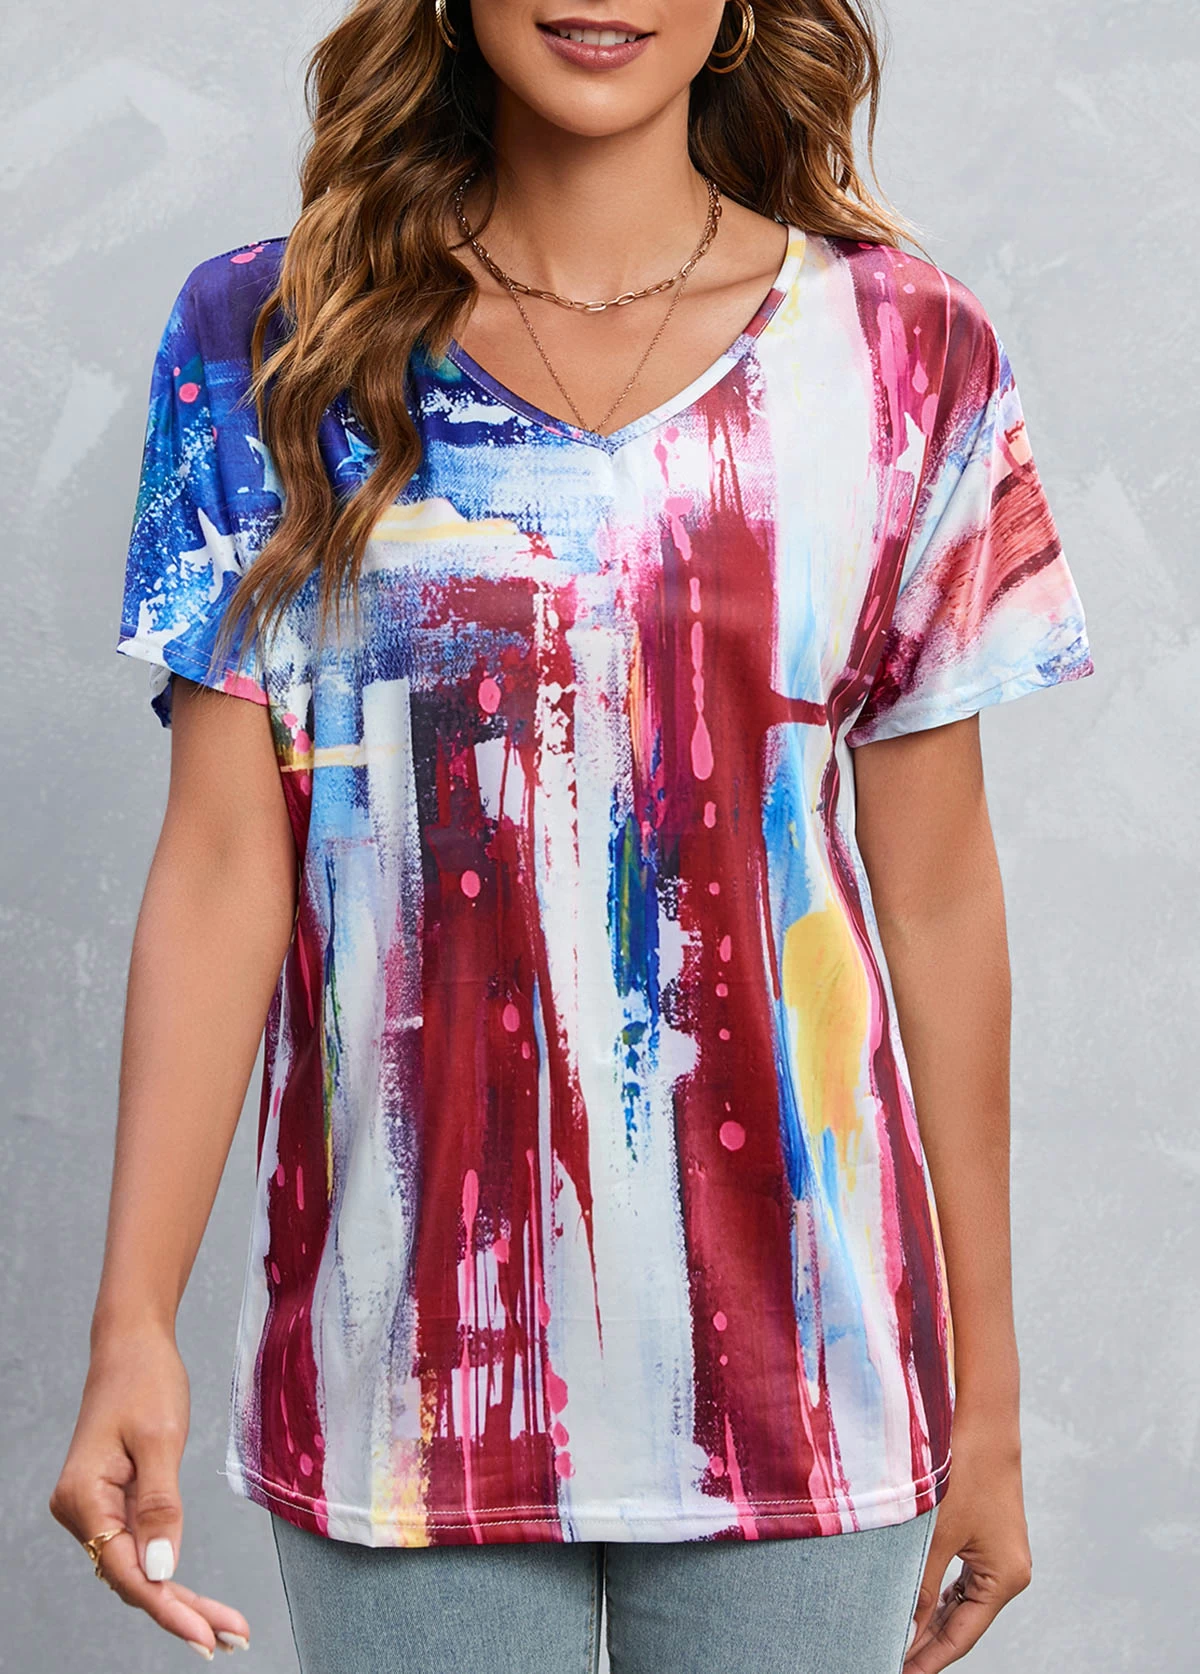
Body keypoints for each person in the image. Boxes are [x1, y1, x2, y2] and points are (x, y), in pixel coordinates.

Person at [49, 2, 1095, 1670]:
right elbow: (227, 868)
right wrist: (132, 1325)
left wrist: (992, 1394)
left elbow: (943, 897)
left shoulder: (909, 353)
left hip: (812, 1374)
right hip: (402, 1379)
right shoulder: (263, 342)